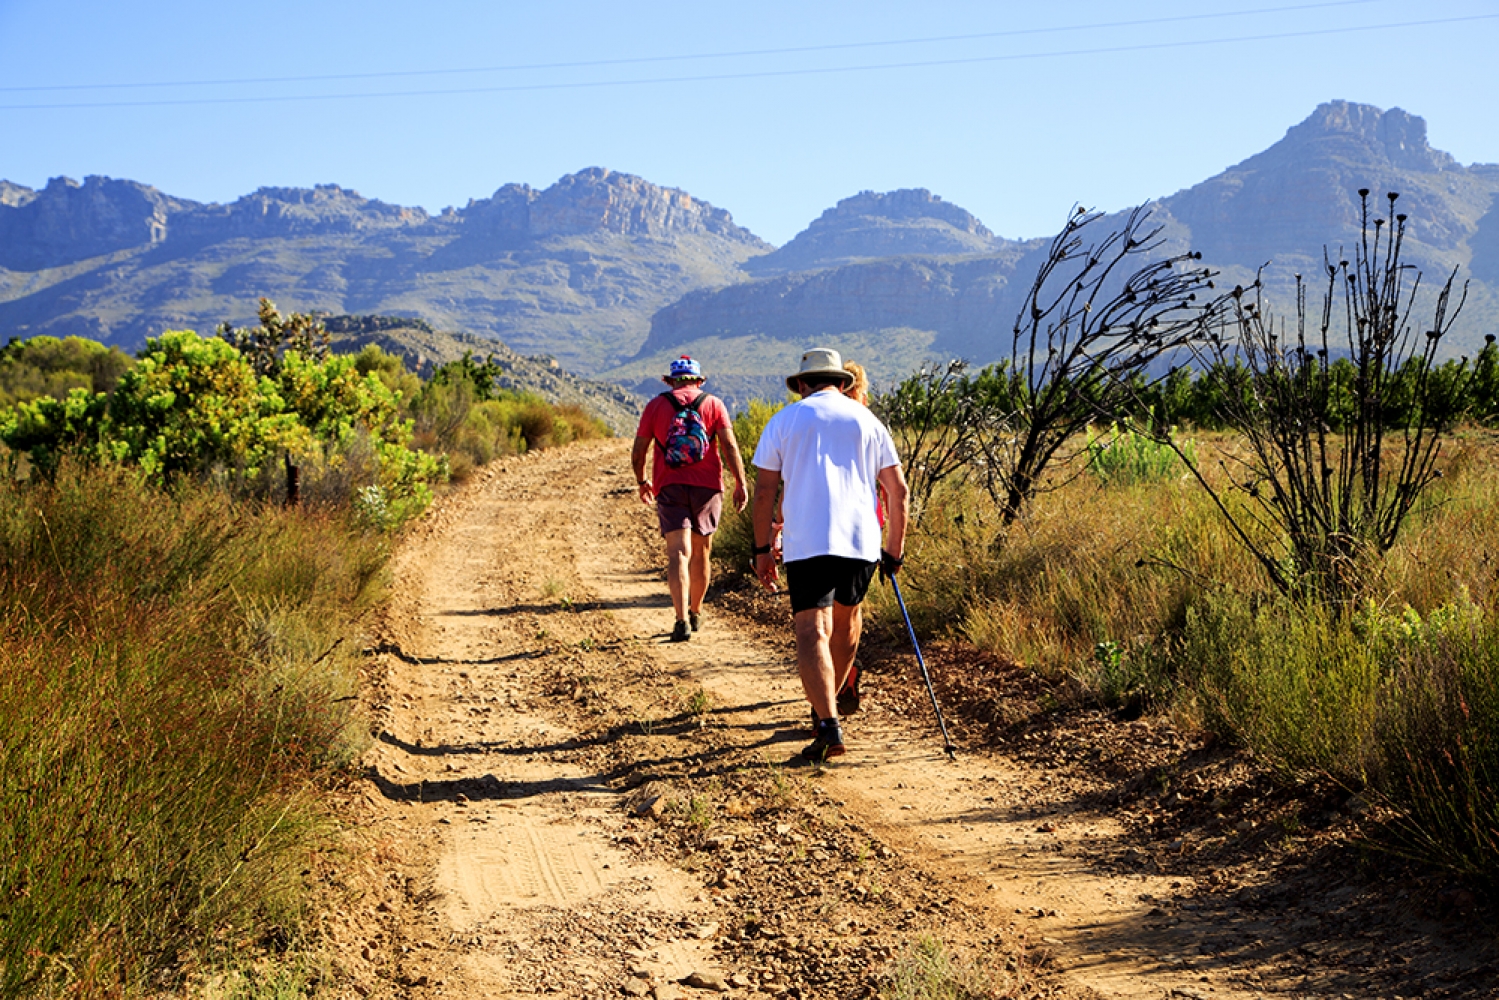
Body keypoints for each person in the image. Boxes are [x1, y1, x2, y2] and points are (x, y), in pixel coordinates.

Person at [751, 347, 909, 761]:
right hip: (860, 541)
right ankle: (828, 707)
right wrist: (894, 551)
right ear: (842, 383)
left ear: (801, 385)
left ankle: (828, 722)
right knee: (846, 624)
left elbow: (765, 491)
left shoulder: (783, 421)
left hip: (808, 541)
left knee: (811, 631)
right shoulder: (868, 421)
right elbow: (898, 491)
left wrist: (762, 548)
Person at [632, 355, 749, 642]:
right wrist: (741, 483)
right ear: (699, 380)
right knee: (701, 552)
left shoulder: (656, 405)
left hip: (669, 484)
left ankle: (680, 619)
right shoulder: (713, 404)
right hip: (707, 487)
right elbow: (730, 447)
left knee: (678, 554)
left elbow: (639, 452)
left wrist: (642, 480)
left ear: (670, 380)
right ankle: (696, 612)